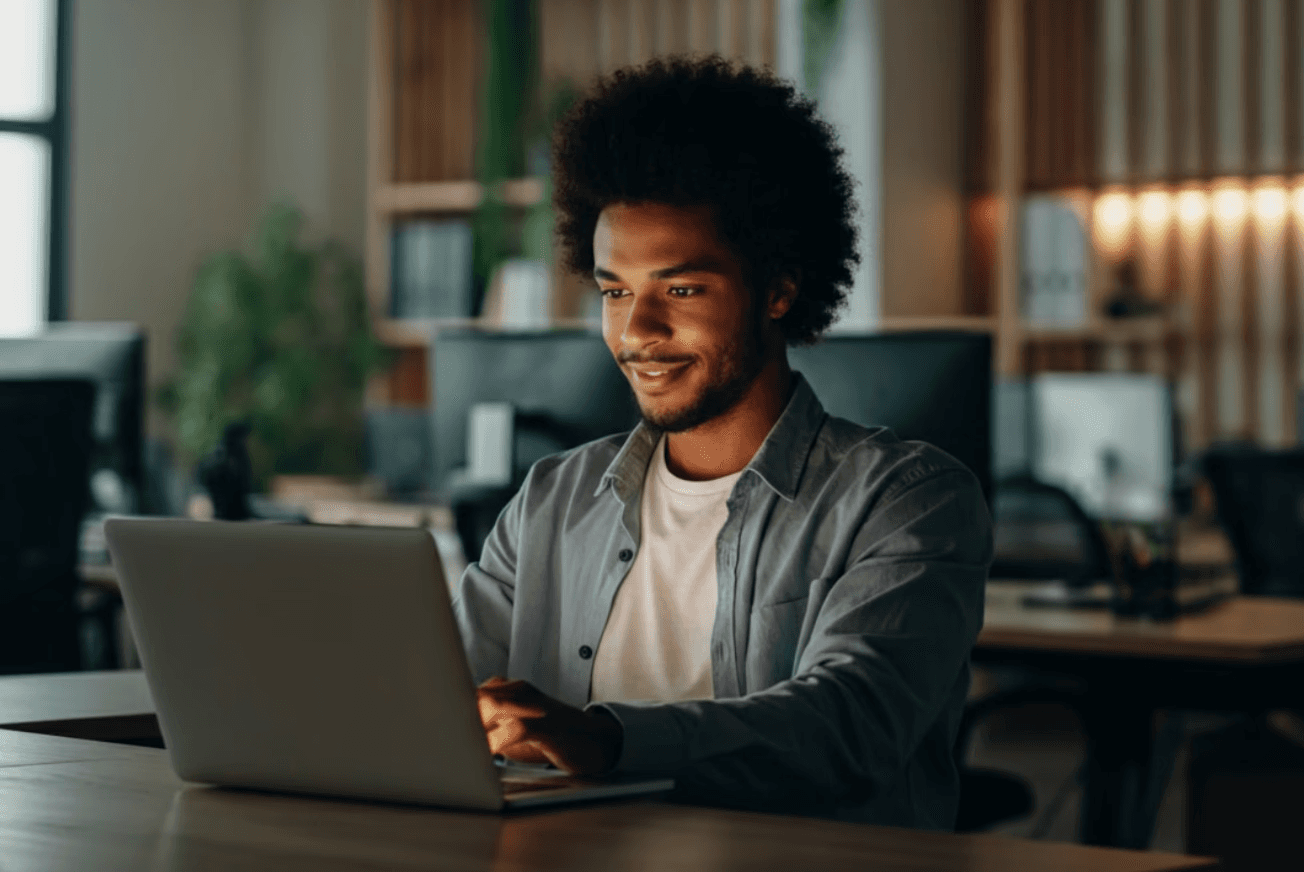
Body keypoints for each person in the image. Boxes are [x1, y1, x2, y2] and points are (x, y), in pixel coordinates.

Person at [455, 55, 991, 829]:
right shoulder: (554, 499)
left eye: (680, 289)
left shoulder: (907, 502)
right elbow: (433, 694)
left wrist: (607, 738)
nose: (636, 330)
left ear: (778, 288)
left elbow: (847, 728)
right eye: (614, 291)